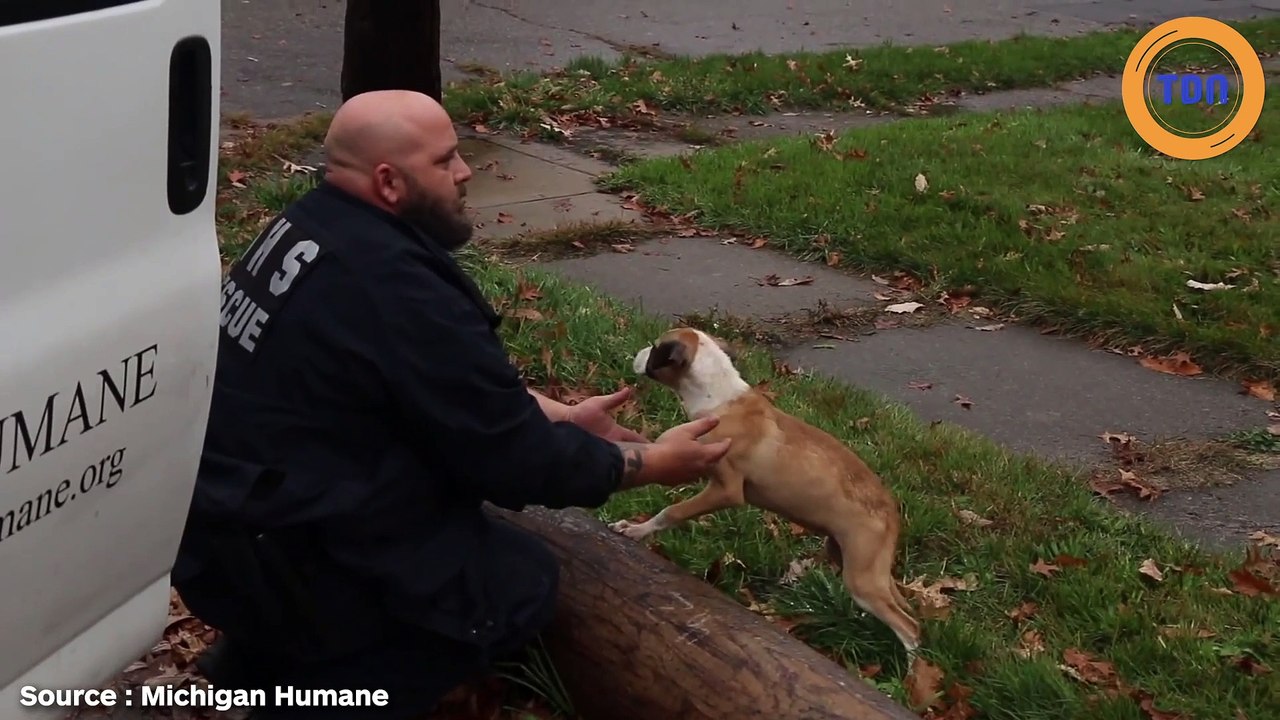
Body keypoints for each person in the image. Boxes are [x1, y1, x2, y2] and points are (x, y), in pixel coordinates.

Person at [171, 89, 731, 719]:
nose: (466, 173)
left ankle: (254, 666)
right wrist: (653, 463)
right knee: (515, 583)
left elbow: (436, 386)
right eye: (445, 161)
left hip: (220, 534)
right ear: (389, 181)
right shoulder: (396, 286)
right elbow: (517, 463)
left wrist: (567, 418)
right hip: (289, 564)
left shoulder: (309, 225)